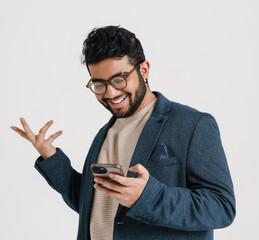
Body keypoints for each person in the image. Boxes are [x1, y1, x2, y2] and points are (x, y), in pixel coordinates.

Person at [11, 25, 236, 240]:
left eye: (119, 79)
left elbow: (221, 207)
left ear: (144, 70)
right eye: (99, 84)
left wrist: (147, 197)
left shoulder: (193, 124)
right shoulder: (105, 133)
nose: (110, 92)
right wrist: (50, 156)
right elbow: (89, 202)